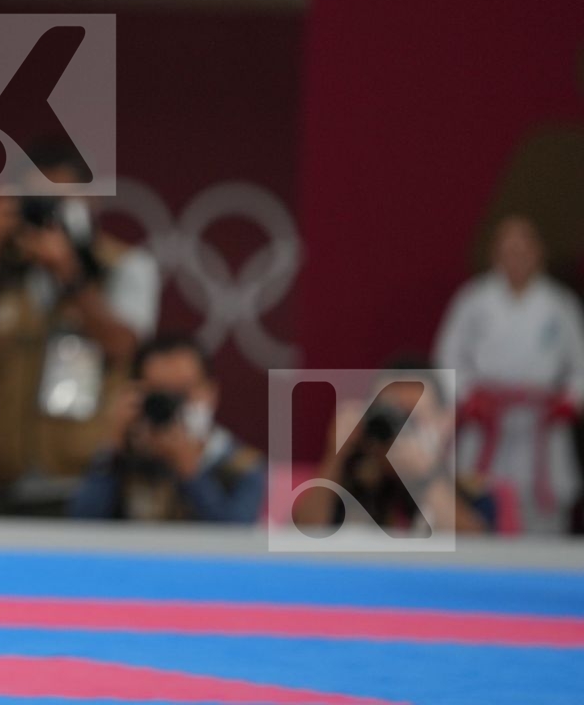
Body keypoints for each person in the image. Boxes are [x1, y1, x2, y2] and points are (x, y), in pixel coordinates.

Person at [0, 147, 161, 496]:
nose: (51, 209)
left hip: (81, 481)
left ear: (91, 202)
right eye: (39, 197)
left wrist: (71, 277)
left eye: (62, 199)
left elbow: (125, 347)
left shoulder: (125, 266)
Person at [434, 215, 584, 534]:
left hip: (541, 427)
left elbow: (579, 366)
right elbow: (447, 358)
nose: (516, 257)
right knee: (477, 506)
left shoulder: (561, 305)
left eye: (524, 249)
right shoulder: (473, 301)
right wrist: (467, 396)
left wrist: (571, 399)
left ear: (538, 252)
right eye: (509, 249)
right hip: (486, 424)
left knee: (543, 520)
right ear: (495, 254)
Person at [69, 334, 264, 524]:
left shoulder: (241, 467)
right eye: (159, 393)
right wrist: (113, 449)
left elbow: (236, 544)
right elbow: (82, 527)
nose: (172, 406)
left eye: (182, 392)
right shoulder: (121, 458)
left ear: (210, 392)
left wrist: (192, 474)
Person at [290, 358, 495, 537]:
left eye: (412, 419)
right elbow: (302, 536)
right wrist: (335, 455)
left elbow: (477, 552)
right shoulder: (352, 483)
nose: (399, 432)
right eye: (391, 416)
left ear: (445, 422)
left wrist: (426, 478)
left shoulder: (466, 491)